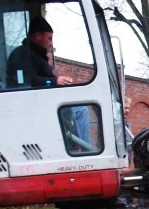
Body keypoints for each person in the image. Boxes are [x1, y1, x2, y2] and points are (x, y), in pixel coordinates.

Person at [6, 16, 89, 144]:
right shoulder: (22, 55)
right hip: (29, 105)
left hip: (41, 101)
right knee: (78, 110)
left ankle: (80, 145)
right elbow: (27, 81)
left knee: (79, 110)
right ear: (38, 36)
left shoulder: (36, 55)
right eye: (49, 38)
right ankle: (79, 148)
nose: (50, 43)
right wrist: (54, 82)